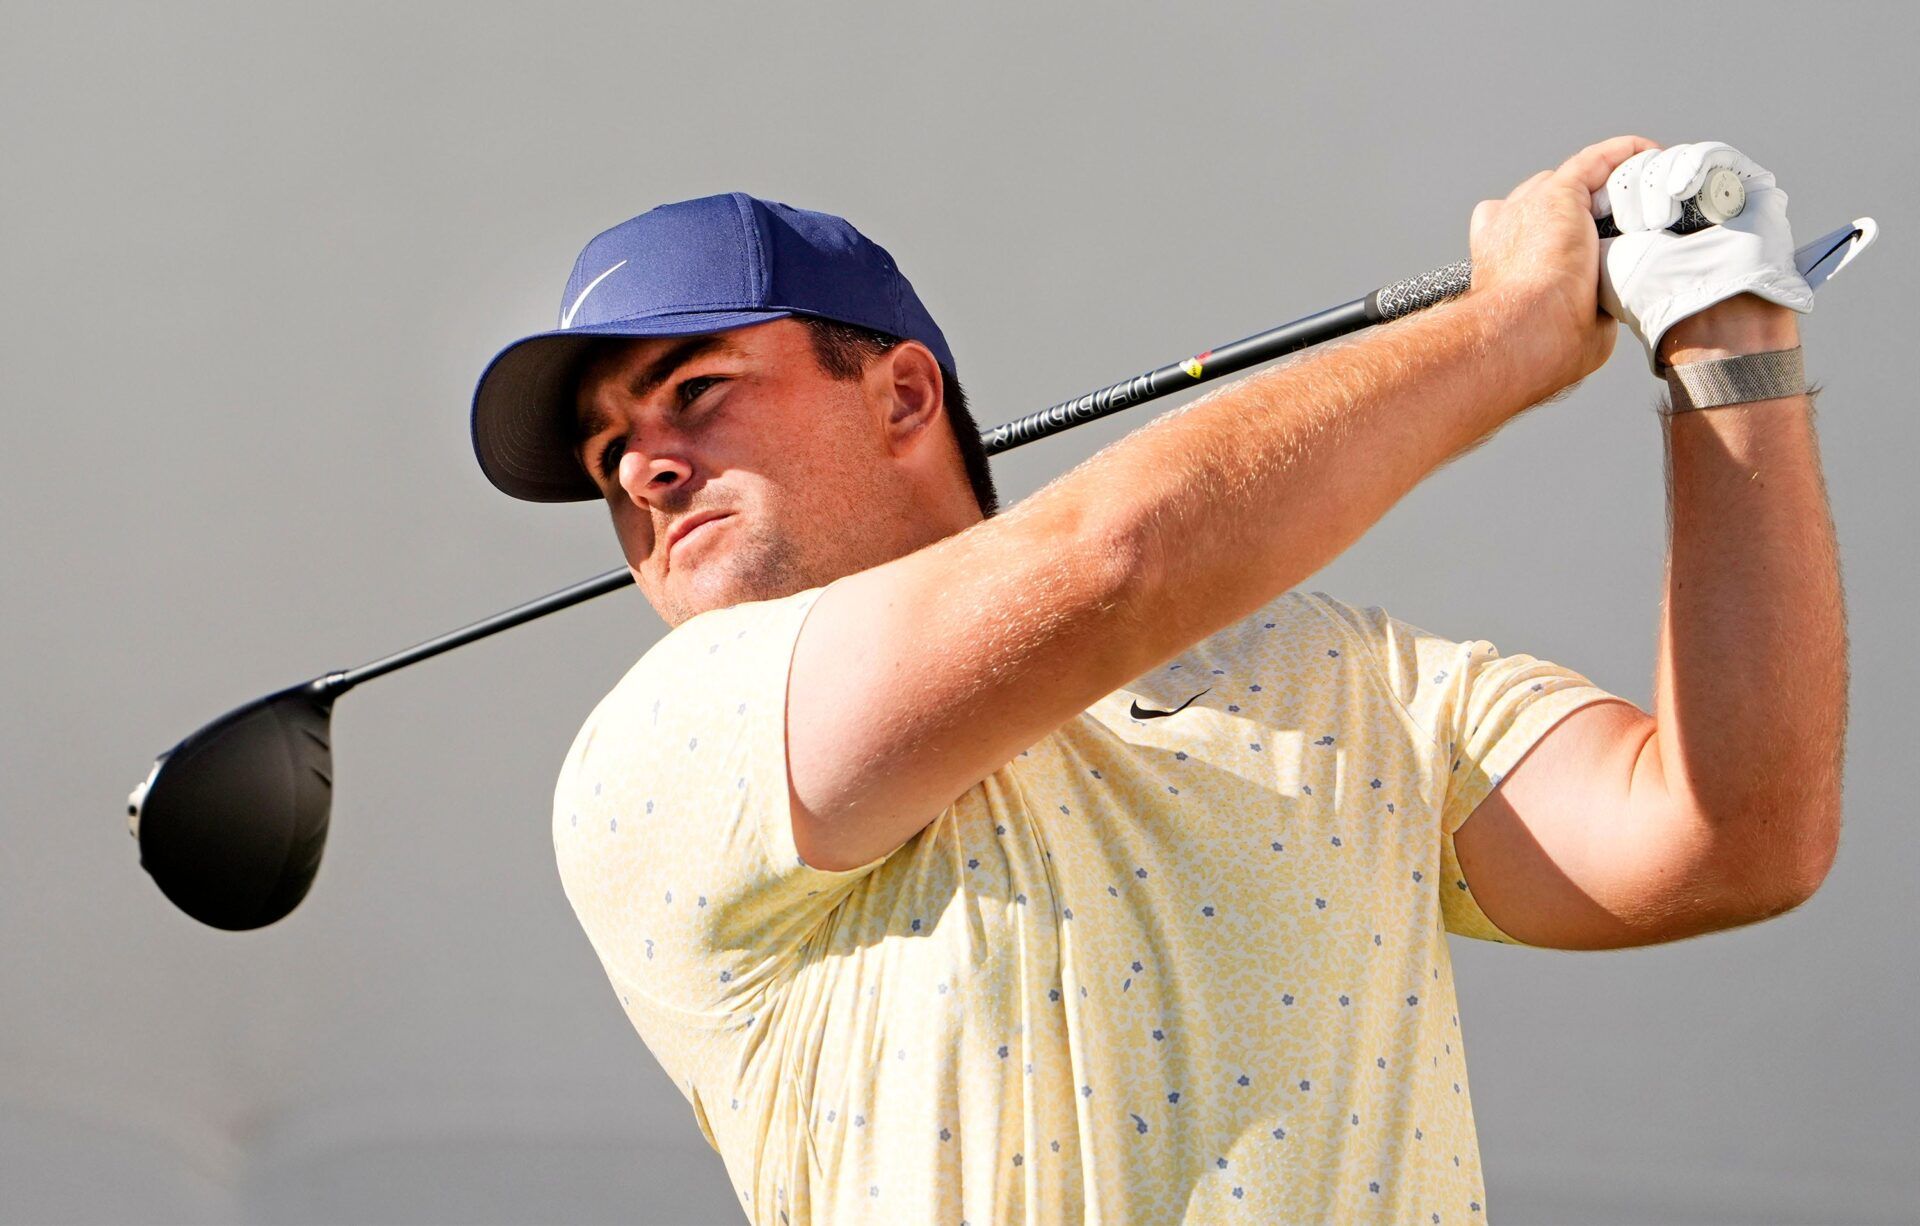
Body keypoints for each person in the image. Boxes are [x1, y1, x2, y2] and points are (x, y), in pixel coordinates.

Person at [468, 135, 1846, 1223]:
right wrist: (1506, 333)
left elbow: (1734, 837)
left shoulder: (1343, 678)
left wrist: (1729, 344)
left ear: (899, 396)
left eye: (693, 389)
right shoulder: (655, 747)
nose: (641, 468)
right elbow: (1115, 563)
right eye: (606, 460)